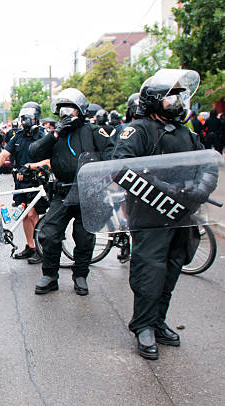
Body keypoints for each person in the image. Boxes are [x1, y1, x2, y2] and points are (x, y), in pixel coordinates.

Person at [111, 69, 215, 360]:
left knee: (172, 267)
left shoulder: (186, 132)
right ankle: (143, 325)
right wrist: (167, 190)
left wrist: (198, 190)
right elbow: (121, 168)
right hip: (150, 216)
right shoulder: (138, 130)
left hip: (182, 215)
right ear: (155, 101)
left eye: (179, 97)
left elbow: (206, 163)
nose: (178, 103)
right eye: (170, 98)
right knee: (150, 271)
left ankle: (158, 320)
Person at [28, 88, 113, 296]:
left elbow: (111, 154)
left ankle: (80, 276)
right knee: (49, 234)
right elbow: (35, 151)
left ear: (80, 110)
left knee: (84, 237)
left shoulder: (93, 131)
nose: (66, 114)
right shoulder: (56, 134)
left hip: (88, 192)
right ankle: (50, 275)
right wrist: (56, 133)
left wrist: (101, 176)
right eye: (62, 110)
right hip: (62, 193)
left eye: (70, 109)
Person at [0, 101, 47, 263]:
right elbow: (4, 155)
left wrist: (31, 168)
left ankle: (41, 247)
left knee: (32, 214)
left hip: (36, 181)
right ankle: (30, 246)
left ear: (36, 119)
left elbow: (49, 160)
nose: (26, 122)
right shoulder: (18, 137)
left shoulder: (43, 137)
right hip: (20, 182)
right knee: (24, 215)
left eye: (30, 118)